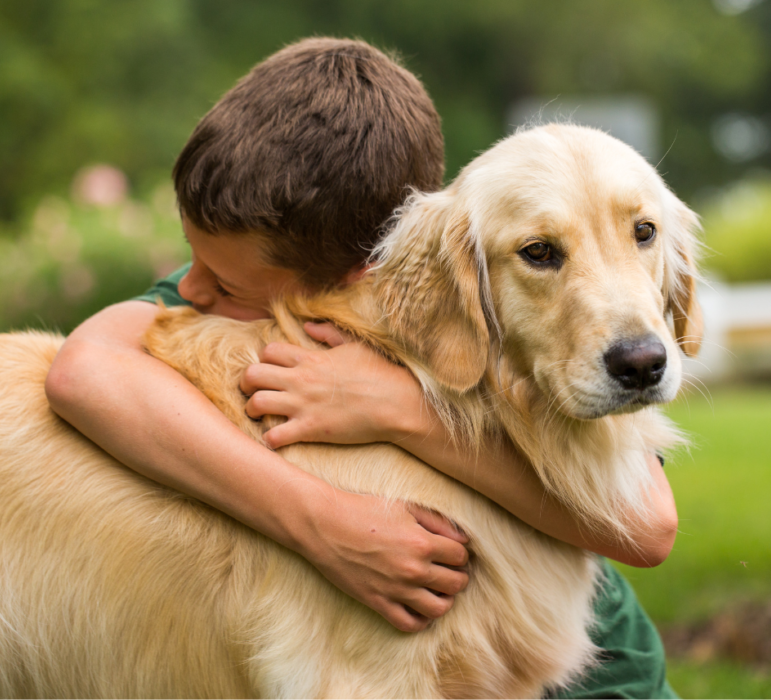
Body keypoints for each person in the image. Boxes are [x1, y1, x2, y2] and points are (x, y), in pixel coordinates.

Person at [45, 37, 678, 698]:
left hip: (605, 671)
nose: (192, 291)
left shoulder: (442, 282)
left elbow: (648, 525)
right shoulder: (262, 266)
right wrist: (321, 520)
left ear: (355, 277)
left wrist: (400, 412)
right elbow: (82, 370)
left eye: (227, 285)